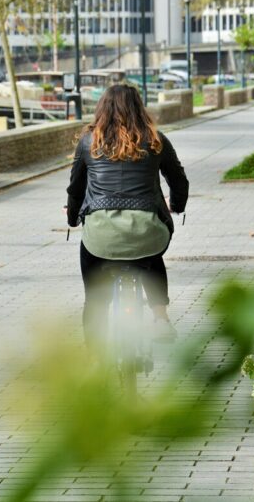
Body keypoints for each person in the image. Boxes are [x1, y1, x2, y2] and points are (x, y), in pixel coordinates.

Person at [66, 84, 188, 347]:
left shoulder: (89, 142)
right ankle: (160, 319)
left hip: (101, 236)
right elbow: (179, 181)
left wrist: (72, 217)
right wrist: (176, 206)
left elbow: (75, 188)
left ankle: (96, 357)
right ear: (139, 108)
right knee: (151, 256)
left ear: (102, 109)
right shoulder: (156, 139)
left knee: (94, 294)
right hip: (147, 229)